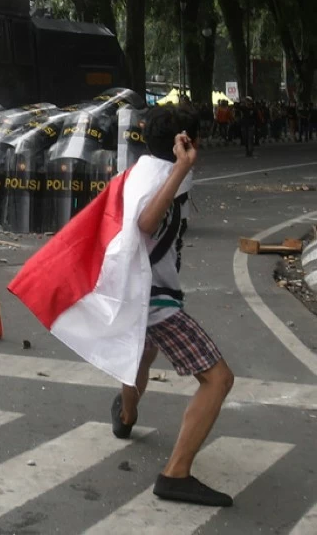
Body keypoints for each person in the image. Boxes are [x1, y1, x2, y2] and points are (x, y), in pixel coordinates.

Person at [111, 106, 235, 507]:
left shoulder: (143, 170)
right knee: (218, 379)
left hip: (138, 294)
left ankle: (126, 415)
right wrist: (182, 167)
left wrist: (178, 167)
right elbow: (147, 223)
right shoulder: (165, 178)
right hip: (155, 299)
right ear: (187, 142)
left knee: (142, 354)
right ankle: (175, 474)